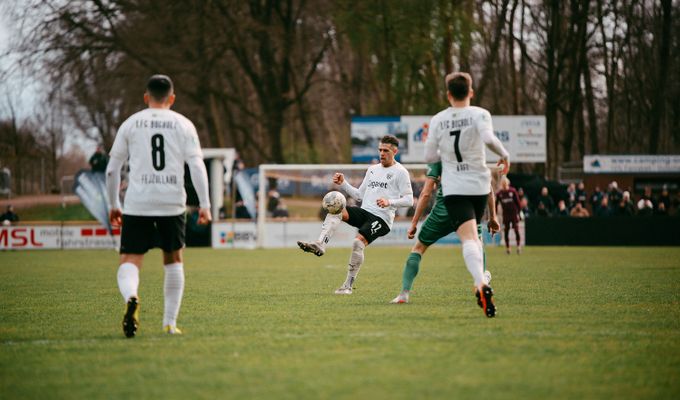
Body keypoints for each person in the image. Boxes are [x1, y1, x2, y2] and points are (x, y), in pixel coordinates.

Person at [105, 75, 211, 338]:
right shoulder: (184, 124)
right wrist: (205, 204)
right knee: (173, 259)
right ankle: (169, 323)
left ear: (146, 97)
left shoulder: (130, 124)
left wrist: (113, 204)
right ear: (172, 98)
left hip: (137, 202)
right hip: (172, 202)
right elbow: (197, 167)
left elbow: (111, 170)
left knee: (130, 259)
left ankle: (131, 296)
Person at [423, 71, 510, 318]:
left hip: (454, 187)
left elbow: (429, 157)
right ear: (471, 92)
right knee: (476, 237)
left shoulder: (439, 119)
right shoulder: (481, 114)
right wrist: (505, 155)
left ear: (448, 94)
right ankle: (482, 280)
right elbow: (488, 138)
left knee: (469, 239)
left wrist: (447, 155)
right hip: (480, 185)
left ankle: (481, 283)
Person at [297, 135, 413, 295]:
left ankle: (347, 286)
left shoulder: (401, 172)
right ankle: (320, 244)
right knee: (336, 210)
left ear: (395, 151)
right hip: (365, 212)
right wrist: (343, 183)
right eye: (380, 150)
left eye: (386, 150)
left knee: (357, 244)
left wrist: (389, 202)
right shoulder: (372, 170)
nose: (382, 153)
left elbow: (409, 200)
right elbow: (359, 195)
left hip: (382, 219)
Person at [390, 161, 500, 304]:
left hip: (443, 211)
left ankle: (404, 294)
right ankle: (481, 280)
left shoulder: (441, 158)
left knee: (418, 248)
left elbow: (426, 193)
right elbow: (488, 188)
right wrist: (493, 217)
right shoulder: (474, 156)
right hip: (468, 209)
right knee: (476, 242)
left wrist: (414, 222)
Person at [495, 177, 522, 254]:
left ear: (508, 183)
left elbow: (518, 203)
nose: (504, 184)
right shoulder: (499, 193)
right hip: (506, 215)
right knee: (506, 231)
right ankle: (508, 248)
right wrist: (495, 214)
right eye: (502, 183)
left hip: (513, 214)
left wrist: (519, 213)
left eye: (505, 183)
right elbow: (495, 204)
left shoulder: (512, 191)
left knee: (516, 230)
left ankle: (518, 246)